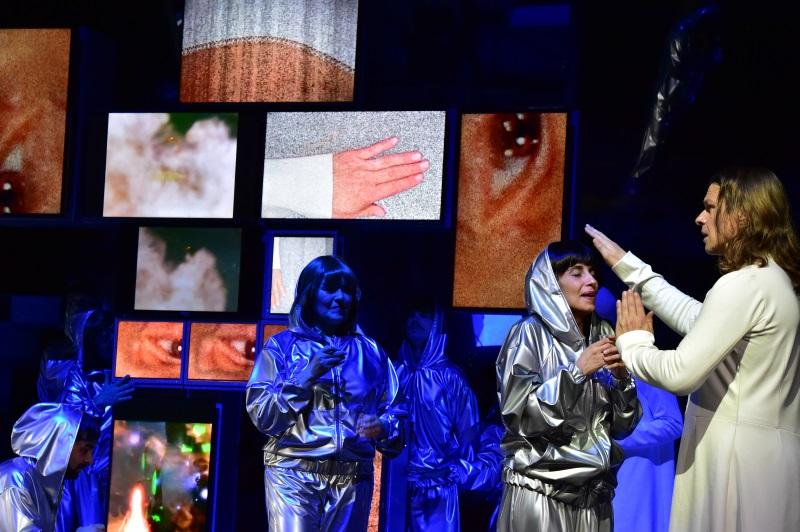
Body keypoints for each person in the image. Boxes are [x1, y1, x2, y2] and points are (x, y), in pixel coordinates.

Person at [585, 166, 800, 532]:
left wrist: (633, 342)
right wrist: (631, 269)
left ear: (741, 215)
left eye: (710, 208)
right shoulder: (771, 280)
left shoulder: (744, 284)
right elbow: (699, 318)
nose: (700, 218)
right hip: (762, 461)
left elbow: (680, 374)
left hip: (736, 466)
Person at [246, 256, 405, 531]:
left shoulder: (371, 353)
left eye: (347, 290)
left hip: (353, 480)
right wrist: (307, 375)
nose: (340, 298)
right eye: (330, 288)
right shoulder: (281, 348)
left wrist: (383, 427)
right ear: (310, 293)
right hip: (293, 475)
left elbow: (397, 413)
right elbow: (263, 416)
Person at [496, 241, 640, 532]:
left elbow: (623, 427)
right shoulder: (529, 335)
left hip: (595, 498)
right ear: (551, 284)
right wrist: (576, 373)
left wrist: (622, 380)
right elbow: (520, 417)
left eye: (593, 272)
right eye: (577, 273)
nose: (591, 281)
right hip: (540, 493)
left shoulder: (604, 334)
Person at [395, 304, 480, 532]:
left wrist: (456, 476)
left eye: (423, 314)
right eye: (411, 313)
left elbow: (469, 436)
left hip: (438, 492)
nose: (414, 318)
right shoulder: (395, 374)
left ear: (436, 323)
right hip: (397, 490)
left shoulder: (451, 378)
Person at [0, 403, 101, 531]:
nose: (90, 460)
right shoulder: (15, 482)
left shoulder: (43, 482)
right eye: (84, 450)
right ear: (59, 446)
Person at [612, 378, 682, 532]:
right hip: (604, 475)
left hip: (639, 474)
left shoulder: (644, 373)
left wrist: (616, 438)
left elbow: (673, 423)